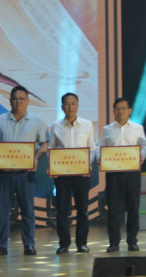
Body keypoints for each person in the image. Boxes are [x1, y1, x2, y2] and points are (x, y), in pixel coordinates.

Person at [0, 86, 48, 258]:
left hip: (25, 174)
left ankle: (29, 245)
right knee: (2, 211)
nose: (18, 102)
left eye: (22, 98)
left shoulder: (37, 121)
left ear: (27, 101)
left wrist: (36, 158)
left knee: (28, 211)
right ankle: (1, 246)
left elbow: (44, 144)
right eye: (15, 99)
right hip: (4, 173)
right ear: (10, 101)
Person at [47, 93, 98, 254]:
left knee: (82, 209)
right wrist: (52, 166)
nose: (70, 107)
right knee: (62, 210)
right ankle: (64, 244)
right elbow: (51, 149)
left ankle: (82, 243)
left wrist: (87, 164)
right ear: (62, 107)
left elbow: (92, 147)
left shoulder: (87, 125)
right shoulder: (56, 126)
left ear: (78, 106)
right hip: (62, 175)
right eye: (67, 104)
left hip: (81, 174)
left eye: (73, 103)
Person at [97, 97, 146, 252]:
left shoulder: (138, 128)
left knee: (133, 208)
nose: (120, 111)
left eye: (123, 108)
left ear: (129, 110)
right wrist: (100, 157)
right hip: (113, 174)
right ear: (113, 111)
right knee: (113, 209)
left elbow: (145, 146)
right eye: (117, 108)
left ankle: (132, 241)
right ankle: (114, 242)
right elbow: (100, 147)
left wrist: (141, 156)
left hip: (132, 173)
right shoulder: (107, 129)